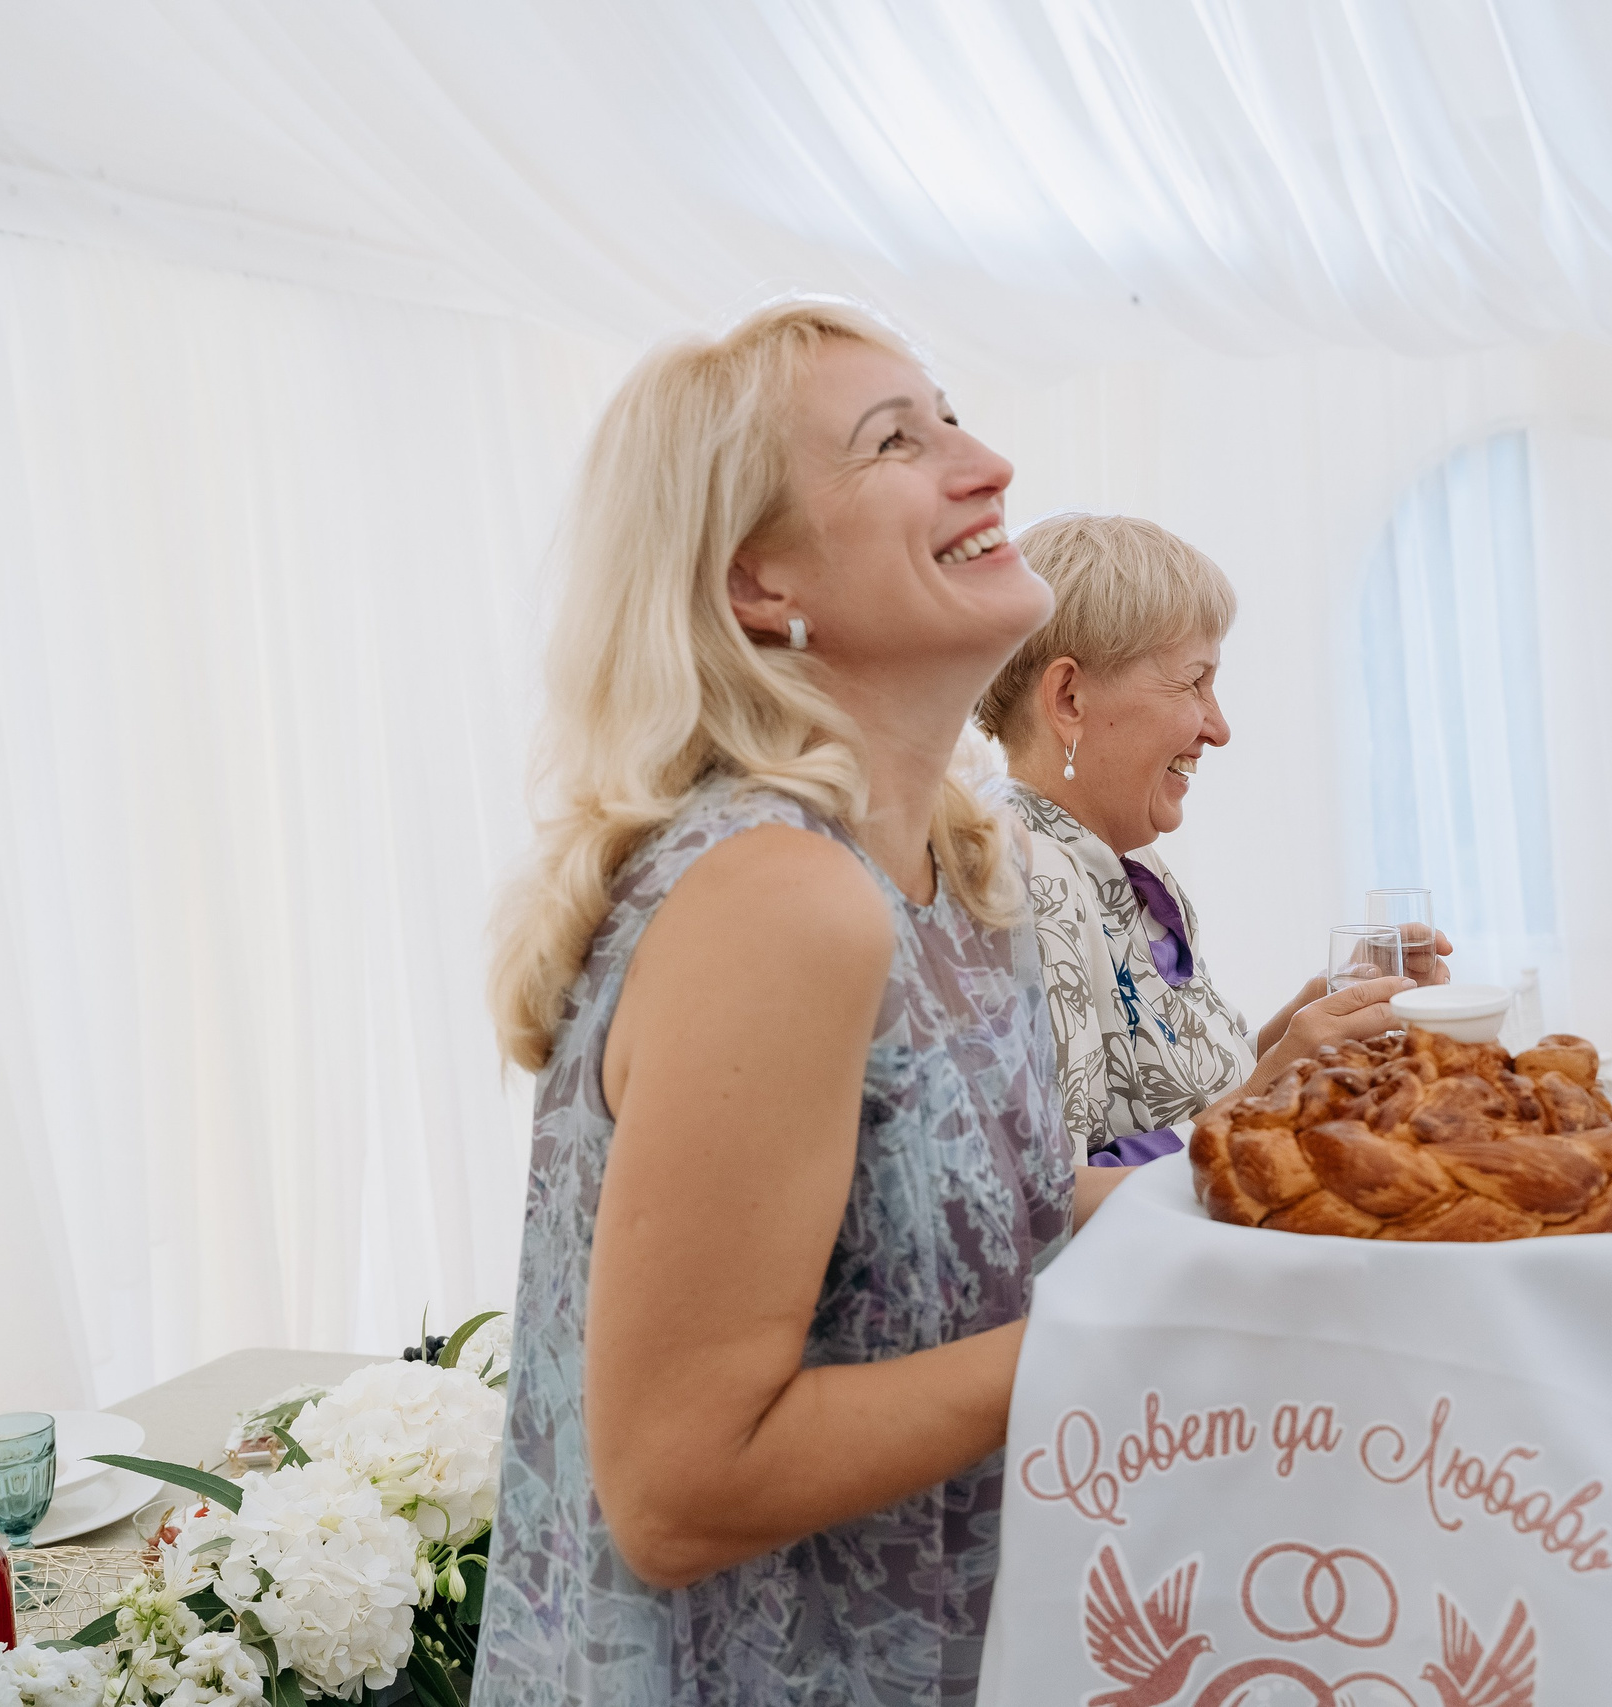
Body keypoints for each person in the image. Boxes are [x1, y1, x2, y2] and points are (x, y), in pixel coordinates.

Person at [476, 300, 1129, 1705]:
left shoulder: (962, 862)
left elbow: (948, 1227)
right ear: (760, 584)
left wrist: (1216, 1217)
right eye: (901, 441)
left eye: (955, 416)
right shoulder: (779, 895)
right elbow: (681, 1482)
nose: (988, 462)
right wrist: (1139, 1336)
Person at [974, 513, 1451, 1166]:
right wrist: (1272, 1085)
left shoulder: (1130, 867)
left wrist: (1315, 1025)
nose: (1219, 727)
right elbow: (1057, 1199)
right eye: (1193, 681)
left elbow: (1179, 1104)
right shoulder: (1027, 882)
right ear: (1070, 698)